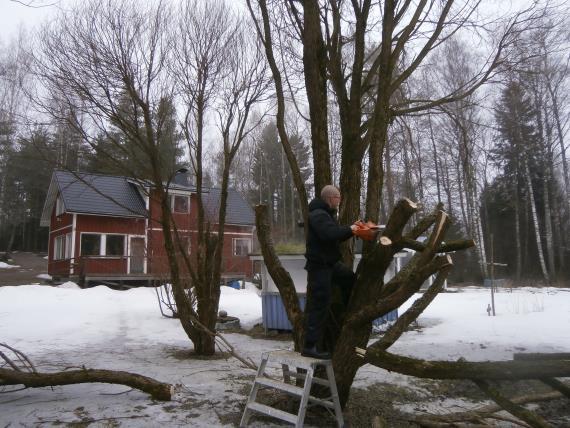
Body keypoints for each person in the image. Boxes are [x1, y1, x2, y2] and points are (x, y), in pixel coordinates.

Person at [302, 185, 376, 359]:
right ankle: (309, 346)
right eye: (338, 197)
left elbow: (336, 234)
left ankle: (347, 312)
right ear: (330, 198)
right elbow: (329, 234)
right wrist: (352, 229)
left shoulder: (325, 214)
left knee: (350, 279)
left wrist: (354, 231)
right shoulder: (318, 215)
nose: (340, 200)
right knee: (320, 304)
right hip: (319, 267)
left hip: (330, 264)